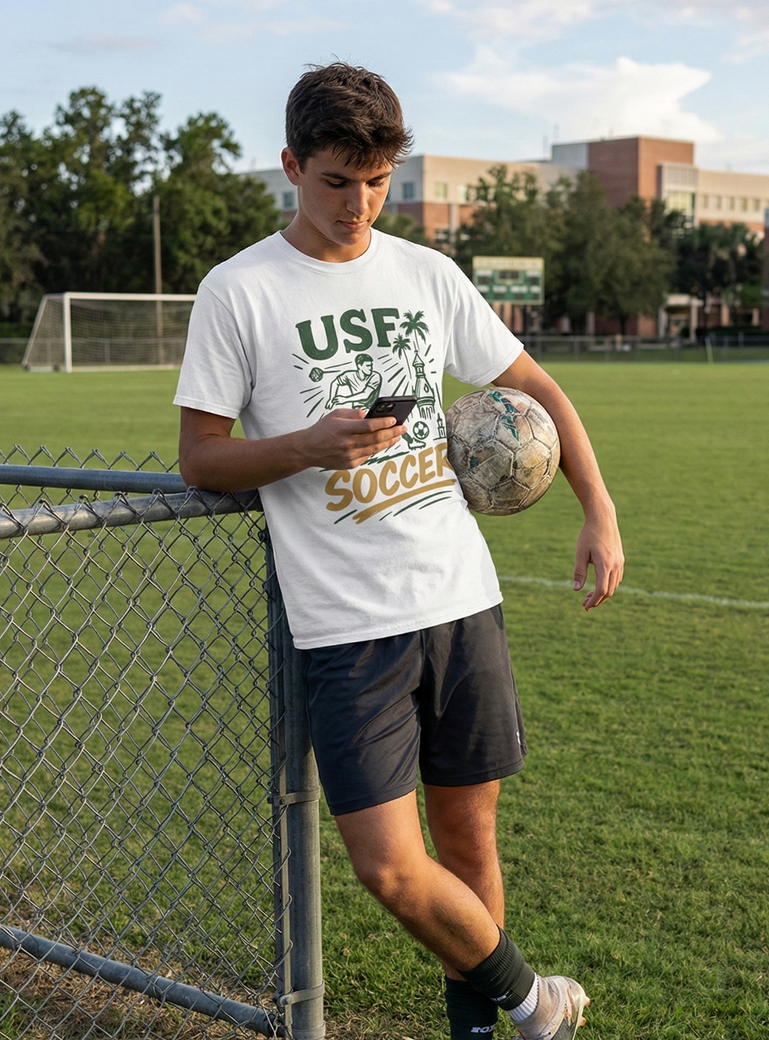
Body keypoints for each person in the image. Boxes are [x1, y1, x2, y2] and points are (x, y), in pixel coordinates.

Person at [175, 63, 624, 1040]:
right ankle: (532, 998)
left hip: (459, 597)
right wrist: (306, 444)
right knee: (387, 865)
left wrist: (597, 506)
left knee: (468, 837)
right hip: (347, 623)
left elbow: (537, 385)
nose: (358, 204)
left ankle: (482, 1026)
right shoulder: (238, 291)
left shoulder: (425, 273)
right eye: (338, 181)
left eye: (377, 182)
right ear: (292, 165)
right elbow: (200, 456)